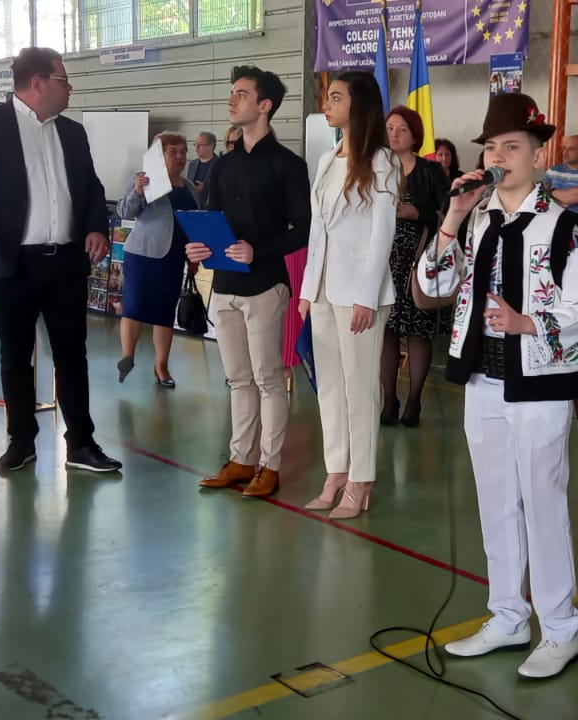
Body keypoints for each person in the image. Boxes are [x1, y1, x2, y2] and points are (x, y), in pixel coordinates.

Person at [416, 93, 578, 680]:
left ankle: (560, 628)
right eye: (491, 147)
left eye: (512, 146)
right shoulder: (475, 220)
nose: (498, 156)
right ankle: (508, 616)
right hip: (483, 380)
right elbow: (431, 284)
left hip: (540, 382)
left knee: (542, 503)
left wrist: (529, 323)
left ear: (538, 155)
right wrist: (451, 216)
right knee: (494, 500)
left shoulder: (562, 226)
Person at [0, 46, 122, 474]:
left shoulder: (72, 132)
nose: (70, 88)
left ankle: (81, 444)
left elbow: (91, 187)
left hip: (66, 261)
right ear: (38, 83)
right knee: (15, 354)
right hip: (13, 261)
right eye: (64, 80)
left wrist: (96, 227)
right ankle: (21, 441)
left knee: (72, 354)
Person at [186, 65, 310, 497]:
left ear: (265, 105)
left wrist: (260, 250)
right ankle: (241, 458)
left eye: (241, 94)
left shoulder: (289, 166)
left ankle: (269, 465)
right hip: (224, 286)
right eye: (232, 92)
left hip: (265, 286)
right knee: (237, 378)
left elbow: (304, 229)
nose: (231, 100)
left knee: (268, 378)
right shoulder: (222, 166)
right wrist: (199, 247)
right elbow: (211, 219)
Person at [297, 71, 399, 519]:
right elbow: (317, 231)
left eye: (336, 97)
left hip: (360, 294)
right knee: (330, 389)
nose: (327, 104)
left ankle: (361, 479)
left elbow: (382, 235)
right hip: (323, 289)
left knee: (360, 390)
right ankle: (335, 470)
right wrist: (308, 289)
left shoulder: (382, 161)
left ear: (359, 105)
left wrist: (366, 296)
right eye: (328, 96)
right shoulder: (326, 160)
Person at [379, 105, 448, 427]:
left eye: (402, 129)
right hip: (382, 260)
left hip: (419, 261)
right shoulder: (377, 168)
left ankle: (414, 400)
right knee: (387, 330)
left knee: (418, 331)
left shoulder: (430, 171)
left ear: (415, 136)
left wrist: (417, 214)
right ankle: (389, 399)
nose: (394, 134)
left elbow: (449, 215)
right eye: (389, 128)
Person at [116, 131, 199, 387]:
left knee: (164, 312)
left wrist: (193, 258)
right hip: (142, 254)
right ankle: (127, 356)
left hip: (174, 257)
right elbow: (125, 211)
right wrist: (138, 192)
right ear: (159, 154)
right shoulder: (144, 179)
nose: (179, 156)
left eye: (183, 152)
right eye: (173, 151)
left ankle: (161, 366)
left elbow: (195, 224)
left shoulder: (191, 188)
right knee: (134, 306)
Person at [543, 134, 578, 220]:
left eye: (571, 149)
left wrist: (550, 192)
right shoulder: (553, 170)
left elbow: (577, 196)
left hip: (574, 224)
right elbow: (540, 194)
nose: (565, 152)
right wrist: (564, 200)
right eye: (564, 148)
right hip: (548, 222)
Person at [184, 131, 217, 207]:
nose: (197, 148)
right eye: (196, 144)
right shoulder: (192, 164)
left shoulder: (220, 164)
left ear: (211, 146)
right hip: (193, 206)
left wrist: (205, 189)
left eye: (200, 145)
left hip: (211, 208)